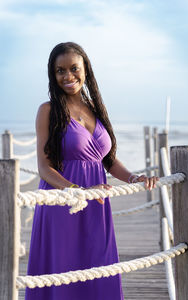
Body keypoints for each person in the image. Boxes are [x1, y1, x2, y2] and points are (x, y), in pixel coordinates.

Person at [25, 42, 159, 300]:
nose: (68, 76)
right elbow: (44, 167)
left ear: (86, 70)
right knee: (63, 275)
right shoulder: (48, 111)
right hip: (64, 203)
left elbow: (106, 160)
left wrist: (135, 178)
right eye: (60, 71)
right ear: (53, 75)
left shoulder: (95, 108)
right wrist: (78, 191)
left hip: (96, 202)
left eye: (74, 68)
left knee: (99, 269)